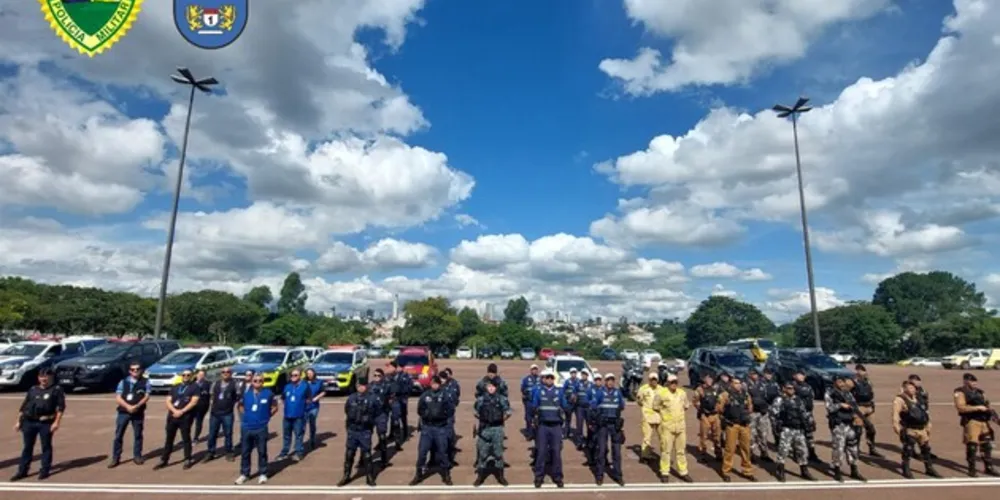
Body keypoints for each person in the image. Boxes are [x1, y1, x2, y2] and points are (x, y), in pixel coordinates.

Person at [12, 368, 65, 481]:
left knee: (46, 446)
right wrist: (18, 421)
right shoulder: (33, 389)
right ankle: (22, 471)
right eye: (41, 377)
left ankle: (45, 470)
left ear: (51, 377)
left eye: (46, 377)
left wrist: (56, 422)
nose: (43, 379)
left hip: (45, 422)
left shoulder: (56, 390)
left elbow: (60, 408)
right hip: (29, 421)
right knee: (27, 447)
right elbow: (24, 406)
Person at [410, 375, 455, 485]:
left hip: (440, 428)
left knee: (443, 452)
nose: (434, 385)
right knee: (422, 452)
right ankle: (418, 474)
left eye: (436, 383)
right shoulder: (425, 395)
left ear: (439, 384)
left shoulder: (445, 395)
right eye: (433, 383)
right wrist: (426, 415)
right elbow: (420, 409)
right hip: (427, 428)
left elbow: (451, 410)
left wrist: (442, 417)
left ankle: (446, 475)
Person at [235, 373, 277, 485]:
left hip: (261, 427)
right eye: (255, 380)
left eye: (260, 380)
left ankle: (263, 473)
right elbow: (240, 406)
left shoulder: (268, 394)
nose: (257, 382)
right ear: (252, 382)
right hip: (247, 427)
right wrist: (245, 416)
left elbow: (275, 407)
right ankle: (245, 474)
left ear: (263, 382)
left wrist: (267, 417)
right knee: (245, 452)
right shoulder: (246, 394)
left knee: (262, 451)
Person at [953, 372, 998, 477]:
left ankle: (988, 467)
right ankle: (972, 469)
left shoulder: (980, 392)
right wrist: (977, 408)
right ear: (965, 381)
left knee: (987, 445)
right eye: (972, 381)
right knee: (972, 445)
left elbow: (987, 405)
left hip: (984, 421)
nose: (974, 383)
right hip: (972, 421)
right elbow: (961, 407)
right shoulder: (960, 392)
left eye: (975, 382)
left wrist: (993, 415)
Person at [770, 381, 815, 482]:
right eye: (789, 388)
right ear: (784, 389)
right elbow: (773, 414)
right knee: (783, 450)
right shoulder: (779, 400)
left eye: (793, 388)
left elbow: (803, 413)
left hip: (798, 429)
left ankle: (804, 470)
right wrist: (776, 428)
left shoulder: (798, 400)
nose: (792, 390)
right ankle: (780, 470)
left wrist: (808, 423)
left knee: (802, 450)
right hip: (786, 428)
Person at [894, 380, 939, 479]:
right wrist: (896, 426)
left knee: (926, 449)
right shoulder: (900, 399)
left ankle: (929, 468)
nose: (912, 389)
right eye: (910, 388)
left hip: (921, 428)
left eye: (913, 388)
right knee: (908, 449)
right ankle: (906, 468)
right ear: (904, 389)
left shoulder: (918, 398)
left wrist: (928, 424)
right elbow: (896, 413)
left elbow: (925, 412)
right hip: (910, 428)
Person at [155, 369, 200, 470]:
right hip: (172, 416)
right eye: (184, 375)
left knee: (186, 438)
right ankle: (164, 459)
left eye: (188, 375)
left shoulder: (195, 387)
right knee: (169, 439)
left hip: (185, 417)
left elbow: (194, 402)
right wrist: (174, 411)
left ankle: (188, 459)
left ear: (192, 376)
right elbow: (168, 400)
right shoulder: (175, 387)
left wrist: (182, 411)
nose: (186, 377)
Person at [531, 369, 567, 488]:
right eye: (548, 378)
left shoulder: (559, 391)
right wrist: (534, 419)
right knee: (541, 452)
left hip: (556, 426)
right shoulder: (538, 391)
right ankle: (539, 477)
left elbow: (565, 406)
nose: (550, 380)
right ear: (544, 379)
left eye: (552, 378)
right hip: (543, 426)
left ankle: (557, 477)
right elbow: (534, 406)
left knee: (556, 452)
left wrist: (570, 402)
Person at [339, 377, 378, 487]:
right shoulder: (352, 398)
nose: (359, 387)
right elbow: (347, 410)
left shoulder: (372, 398)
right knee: (349, 454)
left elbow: (377, 413)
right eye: (358, 385)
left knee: (367, 455)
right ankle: (346, 476)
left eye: (361, 385)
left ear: (366, 386)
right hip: (353, 429)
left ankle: (369, 477)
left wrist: (369, 422)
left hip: (365, 430)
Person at [825, 376, 865, 482]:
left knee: (853, 447)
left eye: (842, 381)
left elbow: (854, 405)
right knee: (838, 448)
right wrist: (840, 405)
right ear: (834, 383)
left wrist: (858, 417)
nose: (841, 383)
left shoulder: (847, 393)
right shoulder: (830, 393)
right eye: (839, 381)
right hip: (838, 424)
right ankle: (837, 471)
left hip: (849, 423)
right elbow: (829, 408)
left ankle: (854, 470)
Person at [110, 362, 149, 468]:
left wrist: (137, 406)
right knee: (118, 435)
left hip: (138, 412)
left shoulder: (145, 382)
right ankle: (115, 457)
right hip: (123, 412)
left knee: (138, 434)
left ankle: (137, 456)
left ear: (141, 370)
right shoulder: (123, 382)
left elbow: (147, 396)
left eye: (137, 369)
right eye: (132, 369)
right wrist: (128, 406)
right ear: (129, 371)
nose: (135, 371)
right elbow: (118, 397)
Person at [473, 378, 512, 486]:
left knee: (498, 454)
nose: (491, 388)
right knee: (482, 454)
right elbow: (475, 412)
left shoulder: (502, 399)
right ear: (486, 387)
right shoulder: (481, 400)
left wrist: (500, 420)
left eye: (493, 386)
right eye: (489, 386)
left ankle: (501, 477)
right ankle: (480, 477)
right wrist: (483, 420)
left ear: (496, 387)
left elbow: (508, 412)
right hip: (485, 429)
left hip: (497, 429)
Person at [716, 377, 755, 482]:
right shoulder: (725, 395)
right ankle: (726, 471)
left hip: (744, 425)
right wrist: (726, 418)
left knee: (746, 449)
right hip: (732, 425)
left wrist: (746, 415)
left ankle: (747, 471)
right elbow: (719, 409)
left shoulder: (746, 394)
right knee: (730, 449)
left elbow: (750, 407)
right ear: (731, 384)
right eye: (736, 383)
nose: (738, 385)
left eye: (740, 383)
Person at [658, 374, 693, 483]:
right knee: (666, 451)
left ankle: (683, 471)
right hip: (667, 426)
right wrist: (665, 416)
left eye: (675, 382)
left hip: (680, 426)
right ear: (668, 383)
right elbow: (655, 406)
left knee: (681, 450)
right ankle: (664, 472)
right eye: (672, 382)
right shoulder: (662, 393)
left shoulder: (682, 393)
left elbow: (686, 406)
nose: (674, 384)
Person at [592, 373, 625, 486]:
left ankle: (618, 475)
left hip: (614, 425)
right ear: (605, 381)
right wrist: (597, 417)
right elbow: (593, 405)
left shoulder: (617, 392)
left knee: (617, 452)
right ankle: (599, 475)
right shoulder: (600, 392)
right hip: (603, 425)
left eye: (612, 380)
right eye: (608, 380)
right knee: (601, 451)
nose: (610, 382)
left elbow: (622, 405)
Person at [276, 369, 310, 462]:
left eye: (295, 375)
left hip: (299, 416)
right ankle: (284, 452)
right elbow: (283, 398)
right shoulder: (287, 386)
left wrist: (301, 408)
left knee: (298, 435)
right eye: (292, 375)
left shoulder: (305, 386)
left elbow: (308, 399)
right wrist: (288, 406)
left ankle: (299, 452)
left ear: (300, 376)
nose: (293, 377)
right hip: (287, 416)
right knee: (286, 435)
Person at [206, 367, 239, 462]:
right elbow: (211, 395)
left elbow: (237, 396)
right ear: (221, 373)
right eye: (223, 372)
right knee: (212, 434)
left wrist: (231, 404)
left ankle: (229, 452)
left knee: (228, 434)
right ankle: (210, 452)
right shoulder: (215, 383)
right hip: (215, 413)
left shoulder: (234, 384)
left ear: (231, 373)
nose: (225, 373)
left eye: (228, 372)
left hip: (227, 413)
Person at [692, 373, 723, 463]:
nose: (710, 381)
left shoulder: (715, 389)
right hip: (705, 416)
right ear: (704, 379)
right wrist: (702, 409)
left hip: (715, 415)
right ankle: (703, 455)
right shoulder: (700, 389)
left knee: (717, 436)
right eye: (708, 379)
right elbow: (695, 401)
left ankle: (718, 454)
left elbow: (720, 400)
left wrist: (717, 408)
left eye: (711, 379)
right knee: (704, 436)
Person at [852, 364, 881, 457]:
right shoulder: (852, 382)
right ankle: (855, 449)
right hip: (858, 407)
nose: (860, 372)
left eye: (862, 370)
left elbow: (871, 394)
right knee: (858, 430)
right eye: (858, 370)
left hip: (868, 407)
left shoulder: (868, 382)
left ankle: (872, 448)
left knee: (871, 429)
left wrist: (873, 406)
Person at [746, 369, 774, 462]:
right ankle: (751, 454)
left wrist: (767, 407)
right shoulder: (745, 385)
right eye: (753, 374)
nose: (755, 375)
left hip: (763, 413)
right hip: (752, 413)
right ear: (749, 375)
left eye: (756, 374)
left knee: (763, 434)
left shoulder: (763, 384)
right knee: (752, 435)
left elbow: (769, 397)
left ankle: (764, 453)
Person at [792, 370, 820, 462]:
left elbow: (812, 397)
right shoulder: (792, 386)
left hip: (808, 413)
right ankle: (797, 454)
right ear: (795, 376)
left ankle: (812, 453)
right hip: (797, 414)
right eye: (799, 375)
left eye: (803, 375)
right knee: (797, 435)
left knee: (809, 434)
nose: (801, 376)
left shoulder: (808, 386)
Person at [635, 371, 662, 465]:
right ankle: (645, 456)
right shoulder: (643, 389)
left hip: (659, 416)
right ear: (649, 380)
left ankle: (664, 455)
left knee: (663, 437)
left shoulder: (662, 389)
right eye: (652, 379)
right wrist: (645, 409)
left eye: (655, 379)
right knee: (647, 437)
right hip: (647, 416)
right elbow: (639, 401)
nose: (653, 381)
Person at [369, 368, 393, 466]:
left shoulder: (387, 386)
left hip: (381, 413)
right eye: (375, 375)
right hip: (371, 414)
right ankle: (363, 459)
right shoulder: (370, 386)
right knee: (366, 436)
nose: (377, 377)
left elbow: (391, 399)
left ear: (382, 376)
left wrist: (387, 410)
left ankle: (384, 459)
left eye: (379, 375)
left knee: (382, 436)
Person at [583, 373, 605, 467]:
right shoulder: (590, 390)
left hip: (602, 417)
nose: (598, 381)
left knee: (602, 440)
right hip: (592, 416)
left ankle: (603, 459)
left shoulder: (604, 390)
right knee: (591, 438)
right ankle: (591, 458)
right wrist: (592, 403)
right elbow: (585, 401)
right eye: (596, 380)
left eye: (599, 380)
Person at [387, 361, 411, 447]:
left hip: (402, 399)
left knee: (403, 417)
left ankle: (405, 434)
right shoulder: (390, 376)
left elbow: (408, 388)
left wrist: (400, 392)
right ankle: (391, 434)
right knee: (393, 417)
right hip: (393, 400)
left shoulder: (405, 376)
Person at [440, 369, 460, 466]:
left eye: (443, 379)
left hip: (448, 417)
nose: (442, 380)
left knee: (449, 438)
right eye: (441, 379)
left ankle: (450, 459)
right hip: (438, 419)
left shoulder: (451, 389)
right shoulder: (435, 389)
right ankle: (433, 459)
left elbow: (455, 401)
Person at [303, 368, 325, 451]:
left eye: (310, 373)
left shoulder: (319, 382)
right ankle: (300, 441)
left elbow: (323, 392)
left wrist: (316, 398)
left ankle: (312, 440)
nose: (309, 375)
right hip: (303, 407)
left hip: (313, 406)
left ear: (314, 373)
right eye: (307, 373)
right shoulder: (303, 382)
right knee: (302, 424)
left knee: (312, 423)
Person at [573, 370, 594, 450]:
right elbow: (574, 393)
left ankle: (589, 442)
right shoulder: (578, 383)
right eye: (582, 374)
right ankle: (579, 442)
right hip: (579, 407)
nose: (583, 376)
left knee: (589, 424)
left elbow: (593, 396)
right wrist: (574, 399)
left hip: (588, 407)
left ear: (587, 375)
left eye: (585, 374)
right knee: (579, 425)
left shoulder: (591, 384)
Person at [520, 364, 541, 437]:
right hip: (529, 401)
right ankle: (529, 433)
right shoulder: (526, 379)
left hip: (538, 402)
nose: (535, 370)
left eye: (536, 369)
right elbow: (522, 389)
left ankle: (537, 433)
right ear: (531, 370)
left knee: (538, 417)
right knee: (528, 418)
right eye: (533, 369)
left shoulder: (540, 379)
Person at [762, 368, 781, 443]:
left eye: (770, 374)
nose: (769, 375)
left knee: (776, 425)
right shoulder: (761, 383)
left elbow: (779, 395)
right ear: (764, 374)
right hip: (764, 407)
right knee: (763, 427)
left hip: (774, 407)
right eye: (767, 374)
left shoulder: (775, 384)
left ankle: (778, 442)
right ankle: (763, 443)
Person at [192, 369, 212, 442]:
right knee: (188, 422)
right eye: (199, 374)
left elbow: (210, 395)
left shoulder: (208, 384)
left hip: (202, 406)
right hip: (191, 406)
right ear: (196, 375)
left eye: (202, 375)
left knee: (199, 422)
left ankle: (196, 437)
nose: (201, 376)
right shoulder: (192, 384)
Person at [561, 368, 580, 439]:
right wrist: (565, 402)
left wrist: (576, 396)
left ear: (576, 373)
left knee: (579, 419)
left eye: (574, 373)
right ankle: (566, 433)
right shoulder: (567, 381)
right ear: (570, 373)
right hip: (569, 403)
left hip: (577, 404)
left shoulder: (579, 381)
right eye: (572, 373)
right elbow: (563, 391)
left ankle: (578, 435)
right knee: (568, 419)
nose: (573, 374)